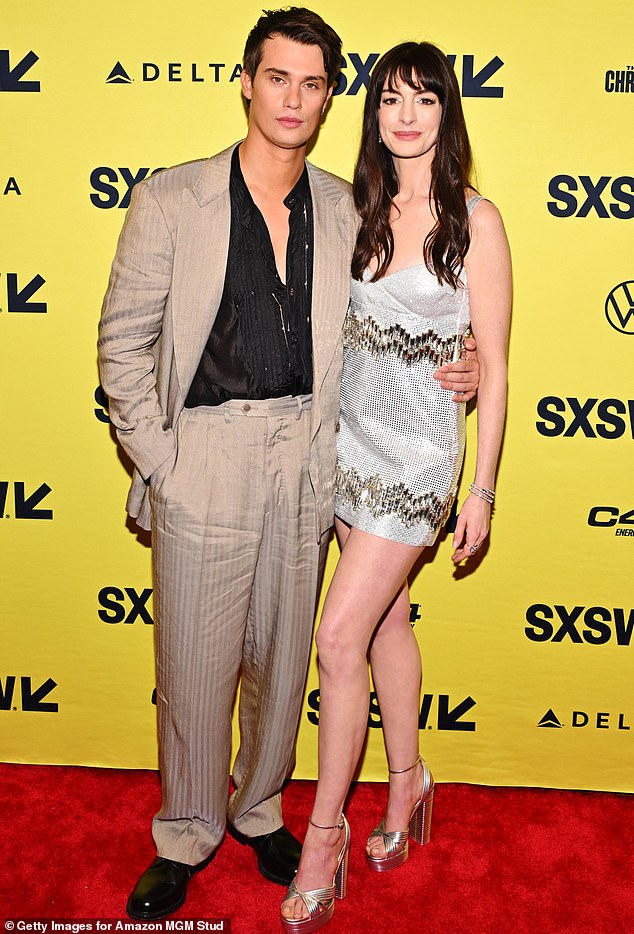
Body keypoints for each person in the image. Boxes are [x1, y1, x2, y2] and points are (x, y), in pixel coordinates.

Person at [98, 10, 478, 921]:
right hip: (207, 453)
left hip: (316, 453)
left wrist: (457, 365)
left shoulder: (354, 206)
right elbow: (121, 347)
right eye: (278, 78)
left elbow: (412, 307)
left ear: (327, 96)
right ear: (246, 81)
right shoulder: (171, 199)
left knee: (282, 658)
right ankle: (187, 831)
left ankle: (261, 808)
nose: (294, 99)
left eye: (313, 84)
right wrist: (165, 462)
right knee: (193, 662)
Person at [281, 40, 511, 932]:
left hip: (418, 461)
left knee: (336, 639)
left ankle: (324, 838)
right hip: (350, 448)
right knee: (384, 625)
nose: (404, 115)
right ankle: (408, 783)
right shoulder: (356, 207)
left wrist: (481, 489)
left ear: (448, 113)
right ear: (371, 115)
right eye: (389, 100)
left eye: (423, 99)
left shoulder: (476, 219)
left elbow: (492, 367)